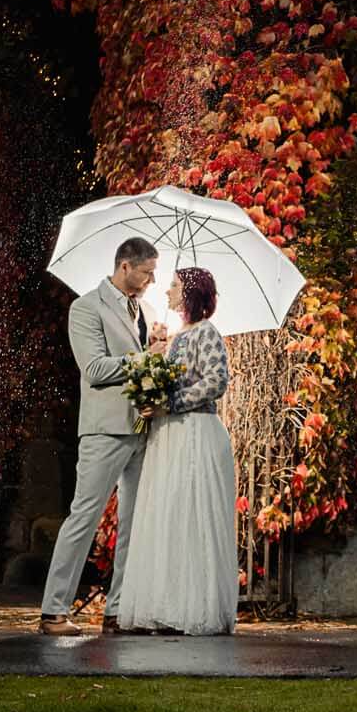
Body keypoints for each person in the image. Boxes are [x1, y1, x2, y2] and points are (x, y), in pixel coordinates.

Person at [40, 237, 165, 636]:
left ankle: (118, 611)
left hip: (142, 428)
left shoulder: (146, 310)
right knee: (84, 518)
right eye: (146, 273)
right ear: (125, 266)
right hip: (103, 430)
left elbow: (143, 371)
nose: (151, 281)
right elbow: (94, 368)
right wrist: (145, 358)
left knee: (133, 523)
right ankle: (53, 611)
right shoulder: (86, 307)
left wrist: (158, 356)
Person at [114, 267, 239, 635]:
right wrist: (154, 352)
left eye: (173, 285)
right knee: (166, 515)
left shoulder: (207, 334)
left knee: (191, 514)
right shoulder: (176, 336)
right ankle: (163, 605)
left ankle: (193, 607)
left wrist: (173, 403)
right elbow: (162, 382)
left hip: (196, 433)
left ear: (189, 294)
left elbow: (216, 382)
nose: (166, 290)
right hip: (167, 436)